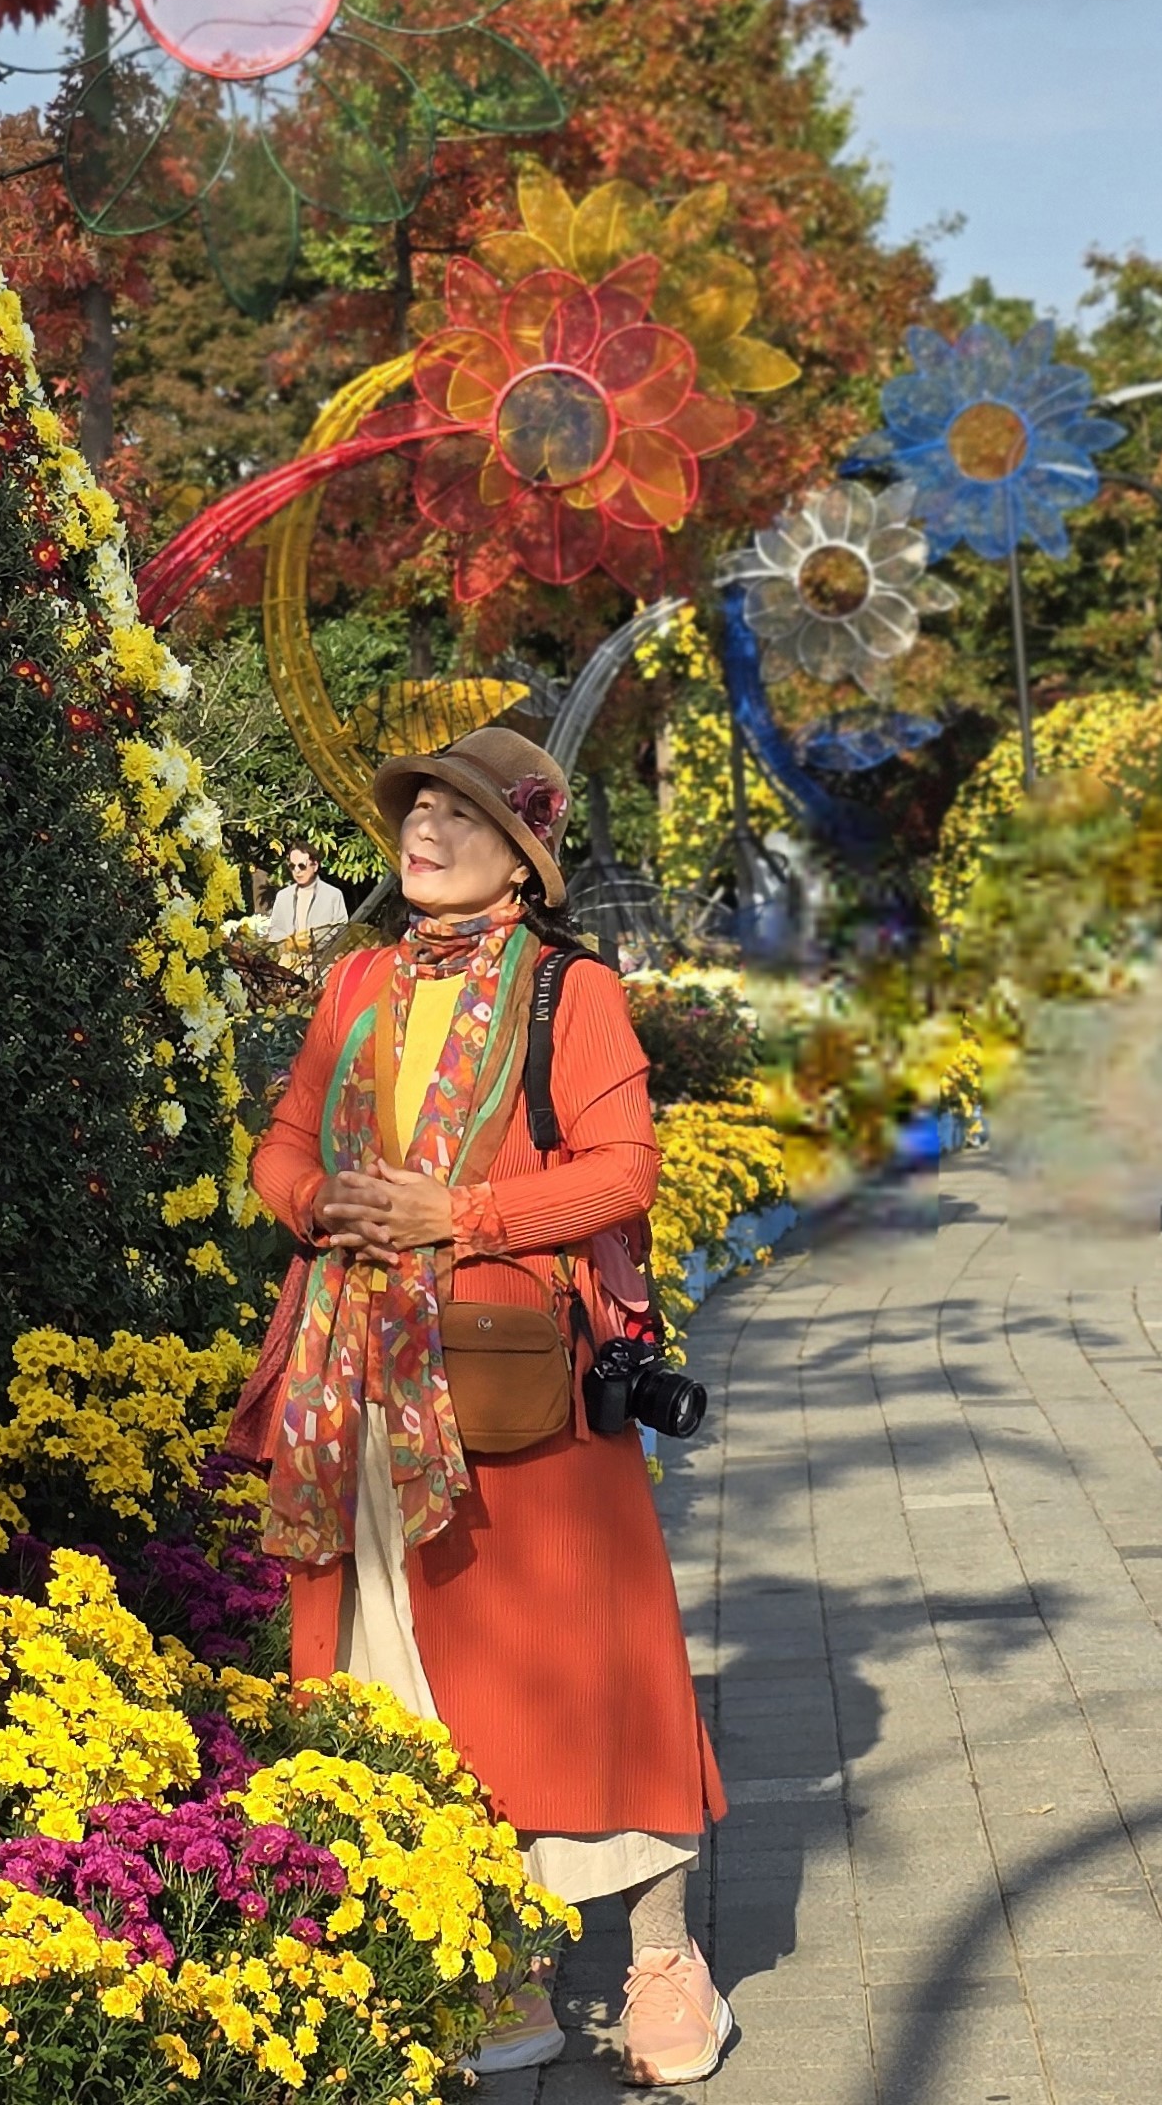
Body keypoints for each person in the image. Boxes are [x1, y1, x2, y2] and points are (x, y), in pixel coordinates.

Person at [239, 726, 731, 2089]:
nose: (423, 830)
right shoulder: (356, 981)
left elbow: (621, 1171)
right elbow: (283, 1141)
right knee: (410, 1675)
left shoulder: (570, 990)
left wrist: (457, 1215)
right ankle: (500, 1948)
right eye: (416, 809)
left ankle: (662, 1960)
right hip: (357, 1376)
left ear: (521, 856)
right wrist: (315, 1200)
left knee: (588, 1657)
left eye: (458, 815)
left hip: (514, 1377)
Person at [258, 840, 349, 968]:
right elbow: (274, 933)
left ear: (315, 865)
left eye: (301, 866)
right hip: (289, 968)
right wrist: (290, 942)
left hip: (324, 967)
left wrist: (314, 941)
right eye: (292, 866)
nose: (297, 871)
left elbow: (342, 933)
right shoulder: (283, 896)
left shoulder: (333, 895)